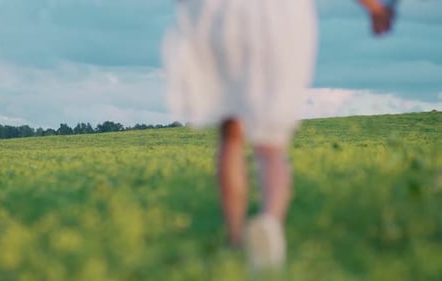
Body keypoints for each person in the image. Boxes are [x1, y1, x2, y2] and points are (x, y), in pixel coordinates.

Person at [163, 0, 395, 270]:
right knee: (271, 143)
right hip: (281, 17)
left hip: (223, 14)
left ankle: (235, 240)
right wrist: (375, 8)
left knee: (231, 133)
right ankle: (270, 223)